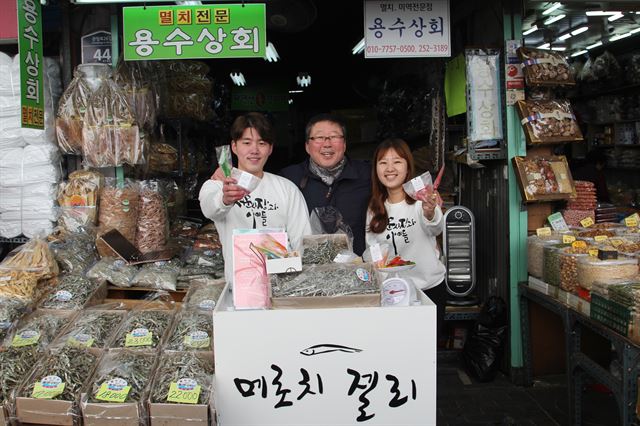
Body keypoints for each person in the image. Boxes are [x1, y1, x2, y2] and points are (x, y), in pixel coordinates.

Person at [199, 112, 311, 283]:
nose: (254, 150)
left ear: (271, 148)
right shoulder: (217, 185)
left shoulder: (287, 188)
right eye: (246, 142)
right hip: (240, 286)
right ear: (234, 147)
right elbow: (210, 208)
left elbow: (303, 241)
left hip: (284, 285)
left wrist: (297, 283)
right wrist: (225, 199)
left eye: (262, 143)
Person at [365, 138, 446, 337]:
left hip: (428, 289)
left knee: (426, 354)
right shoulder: (374, 208)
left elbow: (435, 226)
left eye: (397, 162)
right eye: (383, 162)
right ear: (376, 169)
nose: (390, 168)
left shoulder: (421, 202)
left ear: (408, 166)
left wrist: (430, 210)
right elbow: (373, 250)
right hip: (393, 294)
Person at [281, 113, 371, 255]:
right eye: (319, 137)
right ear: (307, 146)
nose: (327, 144)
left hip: (360, 268)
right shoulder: (288, 179)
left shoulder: (367, 175)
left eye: (334, 137)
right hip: (307, 271)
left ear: (345, 144)